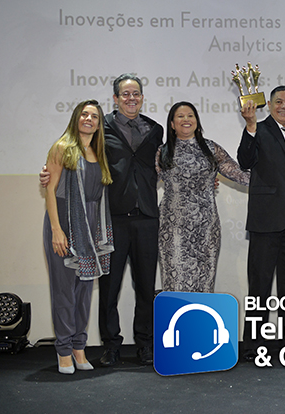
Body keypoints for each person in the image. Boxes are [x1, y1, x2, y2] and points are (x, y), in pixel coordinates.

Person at [41, 73, 164, 366]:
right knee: (108, 287)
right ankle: (111, 346)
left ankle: (145, 344)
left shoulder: (155, 129)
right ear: (116, 98)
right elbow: (74, 161)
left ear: (142, 97)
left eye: (136, 93)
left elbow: (164, 164)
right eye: (125, 94)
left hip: (147, 217)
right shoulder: (101, 127)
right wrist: (47, 175)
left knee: (146, 286)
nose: (131, 98)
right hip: (112, 219)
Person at [237, 86, 285, 361]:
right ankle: (253, 345)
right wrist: (250, 125)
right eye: (279, 101)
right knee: (260, 284)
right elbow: (245, 160)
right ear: (268, 105)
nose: (284, 106)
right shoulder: (258, 130)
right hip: (267, 219)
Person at [43, 100, 113, 374]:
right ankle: (63, 350)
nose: (89, 119)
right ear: (76, 118)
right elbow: (50, 190)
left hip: (91, 228)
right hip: (64, 224)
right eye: (84, 114)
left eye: (94, 116)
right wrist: (56, 230)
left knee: (84, 292)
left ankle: (78, 347)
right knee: (64, 291)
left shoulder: (99, 152)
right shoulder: (62, 148)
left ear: (99, 123)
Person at [156, 102, 249, 293]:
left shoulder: (211, 148)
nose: (186, 119)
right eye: (180, 116)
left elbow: (240, 175)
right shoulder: (162, 152)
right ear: (172, 124)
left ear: (197, 121)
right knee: (175, 284)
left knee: (204, 285)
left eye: (190, 115)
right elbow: (145, 183)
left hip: (206, 227)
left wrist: (275, 178)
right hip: (173, 228)